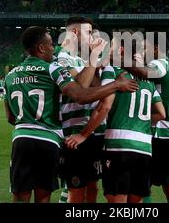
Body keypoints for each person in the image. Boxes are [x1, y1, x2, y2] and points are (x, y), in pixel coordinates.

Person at [4, 26, 138, 203]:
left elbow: (10, 118)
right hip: (49, 140)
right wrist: (116, 85)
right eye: (51, 44)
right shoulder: (52, 68)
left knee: (20, 196)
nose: (54, 48)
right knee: (43, 197)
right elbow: (81, 96)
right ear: (41, 48)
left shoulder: (10, 76)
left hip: (21, 139)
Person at [66, 36, 166, 203]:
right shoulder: (148, 80)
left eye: (111, 47)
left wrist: (83, 135)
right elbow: (161, 114)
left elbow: (104, 106)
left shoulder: (113, 71)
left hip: (118, 146)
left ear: (120, 50)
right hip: (144, 148)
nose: (108, 51)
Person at [122, 33, 169, 203]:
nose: (142, 52)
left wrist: (119, 59)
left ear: (156, 48)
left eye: (145, 48)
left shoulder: (157, 64)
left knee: (142, 188)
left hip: (162, 134)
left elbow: (147, 73)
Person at [57, 17, 107, 203]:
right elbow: (82, 86)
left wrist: (94, 59)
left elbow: (97, 88)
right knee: (76, 190)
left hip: (93, 132)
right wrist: (94, 55)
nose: (91, 36)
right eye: (88, 31)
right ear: (75, 32)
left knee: (92, 186)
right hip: (75, 133)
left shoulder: (80, 59)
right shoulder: (62, 58)